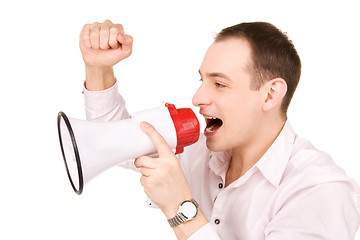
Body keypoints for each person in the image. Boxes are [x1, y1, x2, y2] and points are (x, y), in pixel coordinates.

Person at [80, 20, 360, 239]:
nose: (197, 98)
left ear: (271, 94)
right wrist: (97, 67)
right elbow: (110, 143)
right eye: (202, 80)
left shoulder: (321, 192)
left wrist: (181, 208)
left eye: (220, 84)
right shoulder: (197, 150)